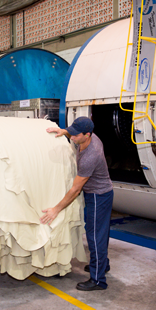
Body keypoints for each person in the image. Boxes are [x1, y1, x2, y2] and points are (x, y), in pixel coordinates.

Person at [40, 116, 114, 291]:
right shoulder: (89, 137)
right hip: (96, 193)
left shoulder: (91, 155)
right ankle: (104, 265)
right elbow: (73, 134)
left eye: (75, 135)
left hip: (99, 196)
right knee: (100, 234)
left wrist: (55, 210)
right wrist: (64, 131)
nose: (72, 138)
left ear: (87, 135)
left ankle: (98, 280)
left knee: (95, 237)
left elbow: (75, 190)